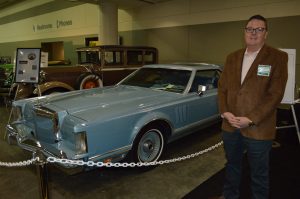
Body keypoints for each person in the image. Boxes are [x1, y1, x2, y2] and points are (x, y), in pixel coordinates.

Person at [217, 15, 288, 199]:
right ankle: (229, 195)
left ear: (266, 34)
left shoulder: (278, 57)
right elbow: (222, 88)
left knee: (259, 173)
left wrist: (250, 119)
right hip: (230, 126)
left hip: (259, 128)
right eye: (250, 29)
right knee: (232, 166)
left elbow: (275, 94)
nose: (253, 33)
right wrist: (225, 111)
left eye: (259, 29)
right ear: (244, 32)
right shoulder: (232, 57)